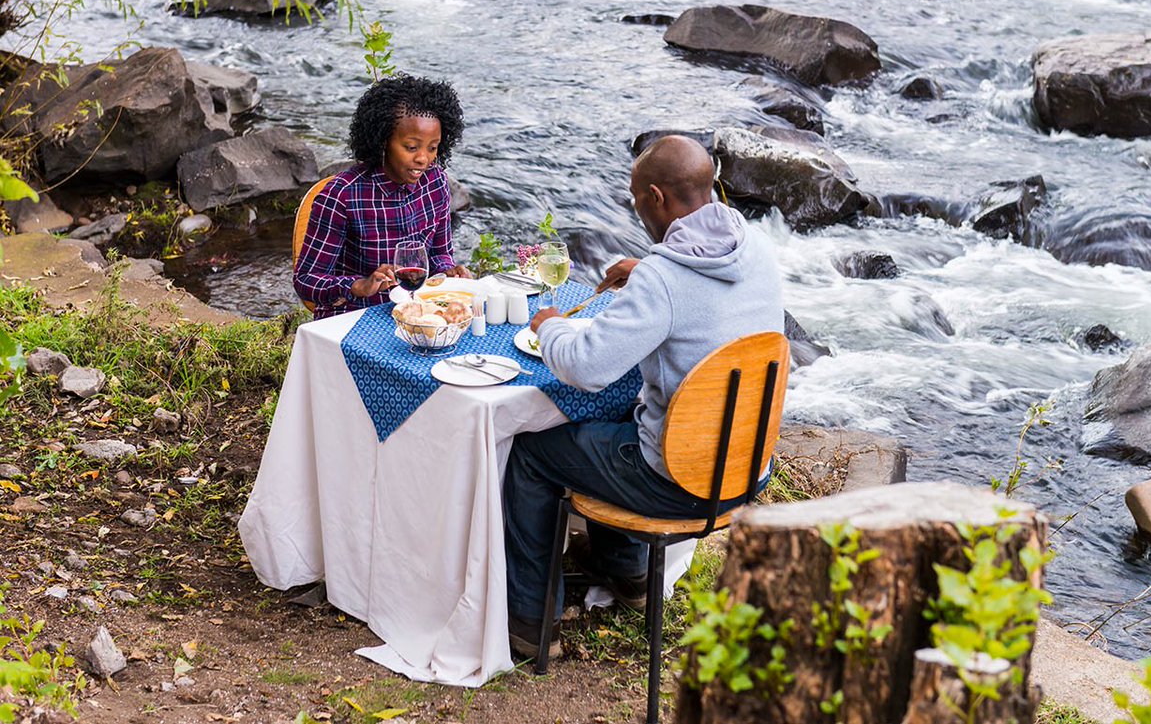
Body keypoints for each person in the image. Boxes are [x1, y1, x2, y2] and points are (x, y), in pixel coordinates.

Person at [503, 135, 784, 658]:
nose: (637, 210)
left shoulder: (664, 280)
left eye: (636, 200)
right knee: (625, 417)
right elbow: (701, 299)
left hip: (681, 482)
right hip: (746, 464)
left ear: (655, 196)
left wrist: (551, 325)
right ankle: (628, 575)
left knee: (533, 453)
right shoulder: (755, 245)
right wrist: (649, 273)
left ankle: (530, 623)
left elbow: (586, 367)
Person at [294, 74, 471, 319]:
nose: (423, 158)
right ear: (382, 141)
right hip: (355, 315)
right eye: (411, 147)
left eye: (432, 148)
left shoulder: (436, 182)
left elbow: (440, 253)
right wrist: (358, 285)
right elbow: (306, 281)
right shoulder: (342, 197)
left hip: (417, 312)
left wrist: (448, 272)